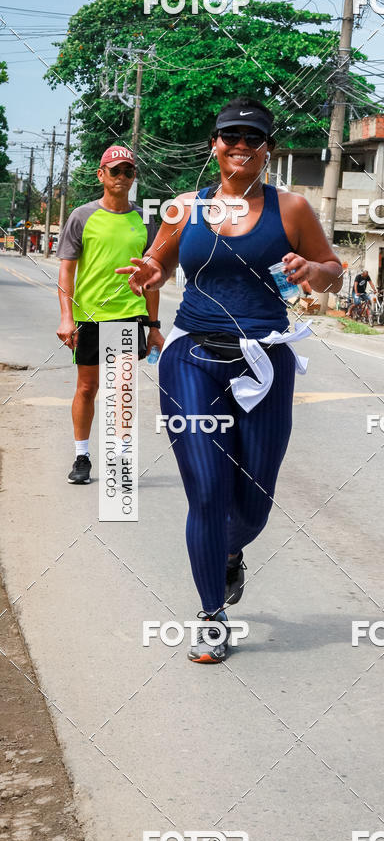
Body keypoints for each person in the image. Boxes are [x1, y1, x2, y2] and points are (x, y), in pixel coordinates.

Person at [117, 97, 342, 663]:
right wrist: (152, 272)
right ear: (215, 145)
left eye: (252, 138)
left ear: (267, 150)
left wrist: (313, 271)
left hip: (265, 361)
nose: (240, 145)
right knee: (209, 494)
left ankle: (229, 551)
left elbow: (333, 272)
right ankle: (211, 614)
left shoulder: (291, 209)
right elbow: (160, 263)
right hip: (192, 358)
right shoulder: (184, 208)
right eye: (230, 136)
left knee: (254, 501)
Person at [56, 146, 163, 484]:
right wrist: (66, 317)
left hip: (128, 316)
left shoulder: (145, 220)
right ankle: (81, 456)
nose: (122, 177)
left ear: (134, 178)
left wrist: (154, 325)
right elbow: (66, 272)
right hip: (88, 317)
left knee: (121, 392)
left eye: (128, 171)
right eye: (115, 171)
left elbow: (153, 278)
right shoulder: (82, 216)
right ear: (101, 174)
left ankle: (119, 460)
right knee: (87, 388)